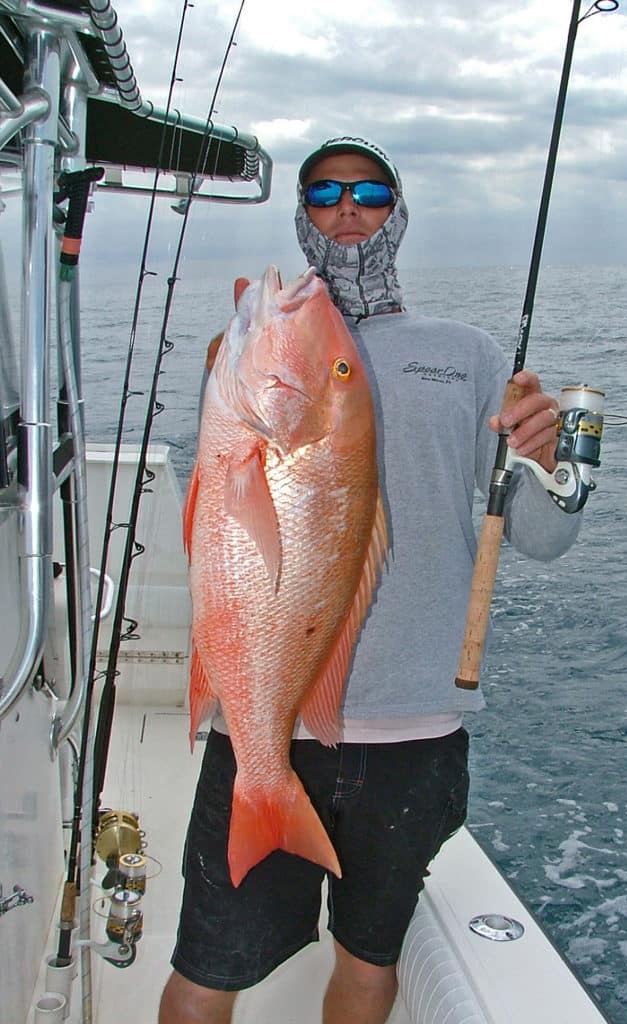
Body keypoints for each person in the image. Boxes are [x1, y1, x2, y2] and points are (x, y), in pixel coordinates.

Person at [159, 137, 581, 1024]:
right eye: (323, 193)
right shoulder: (244, 354)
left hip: (414, 734)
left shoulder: (465, 354)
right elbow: (214, 525)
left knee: (367, 967)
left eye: (370, 190)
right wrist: (223, 384)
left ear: (398, 210)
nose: (347, 207)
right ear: (302, 214)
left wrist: (554, 465)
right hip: (269, 721)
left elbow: (539, 537)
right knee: (205, 976)